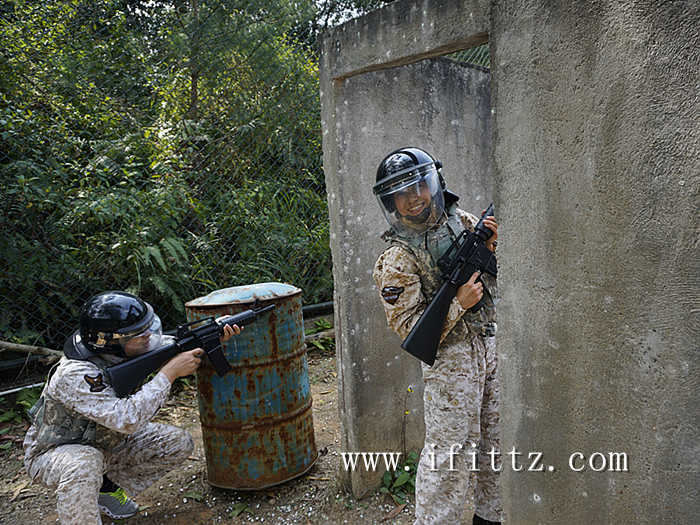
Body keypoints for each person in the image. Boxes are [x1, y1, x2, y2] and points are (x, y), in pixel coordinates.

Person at [22, 290, 240, 525]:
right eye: (138, 334)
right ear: (112, 342)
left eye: (148, 328)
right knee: (84, 463)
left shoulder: (128, 349)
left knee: (176, 443)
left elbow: (172, 344)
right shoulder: (74, 374)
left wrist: (211, 336)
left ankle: (103, 490)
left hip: (106, 442)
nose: (148, 336)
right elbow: (128, 420)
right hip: (55, 452)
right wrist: (169, 373)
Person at [372, 147, 502, 525]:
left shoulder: (460, 221)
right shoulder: (398, 257)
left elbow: (498, 274)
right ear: (391, 202)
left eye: (418, 186)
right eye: (402, 193)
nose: (414, 198)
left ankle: (491, 516)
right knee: (448, 455)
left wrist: (491, 246)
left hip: (489, 344)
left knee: (495, 442)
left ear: (433, 183)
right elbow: (408, 327)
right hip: (451, 362)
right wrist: (458, 303)